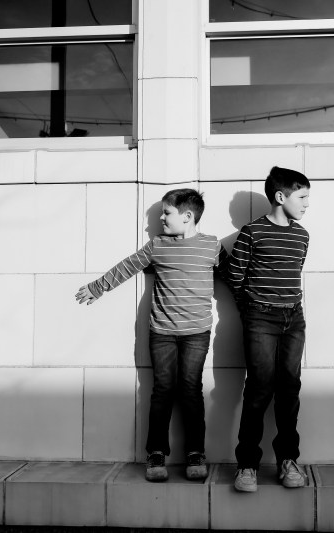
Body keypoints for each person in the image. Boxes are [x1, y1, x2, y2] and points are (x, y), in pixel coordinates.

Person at [75, 188, 227, 482]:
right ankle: (156, 452)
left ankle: (195, 452)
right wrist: (98, 287)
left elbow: (233, 276)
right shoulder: (158, 245)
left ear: (187, 216)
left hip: (197, 333)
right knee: (163, 390)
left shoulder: (212, 246)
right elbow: (129, 265)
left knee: (191, 390)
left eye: (166, 213)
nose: (160, 219)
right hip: (162, 333)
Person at [226, 166, 311, 493]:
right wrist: (251, 310)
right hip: (260, 318)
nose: (306, 204)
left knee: (289, 389)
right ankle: (247, 465)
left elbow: (296, 270)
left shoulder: (302, 235)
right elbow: (235, 276)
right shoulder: (253, 233)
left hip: (294, 319)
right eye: (302, 197)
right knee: (259, 389)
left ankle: (288, 460)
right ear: (280, 196)